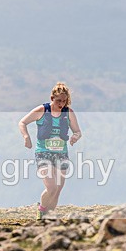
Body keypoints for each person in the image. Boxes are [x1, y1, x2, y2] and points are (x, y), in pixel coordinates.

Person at [18, 82, 82, 219]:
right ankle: (41, 210)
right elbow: (22, 122)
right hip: (43, 153)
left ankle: (49, 216)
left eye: (64, 101)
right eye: (59, 101)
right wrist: (26, 137)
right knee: (51, 187)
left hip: (62, 153)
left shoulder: (68, 113)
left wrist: (75, 137)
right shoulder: (42, 110)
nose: (61, 104)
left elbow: (77, 131)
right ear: (52, 98)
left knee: (58, 189)